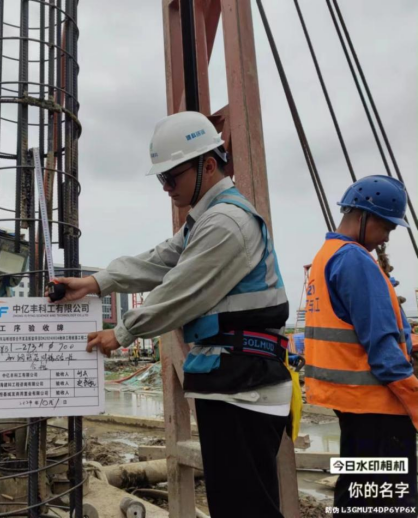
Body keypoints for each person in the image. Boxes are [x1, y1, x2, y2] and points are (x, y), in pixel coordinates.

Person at [55, 111, 291, 517]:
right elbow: (159, 260)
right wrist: (96, 282)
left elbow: (181, 290)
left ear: (209, 165)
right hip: (234, 381)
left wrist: (123, 331)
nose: (166, 187)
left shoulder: (227, 223)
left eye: (171, 176)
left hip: (245, 385)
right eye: (161, 178)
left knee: (245, 507)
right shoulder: (207, 220)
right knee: (235, 503)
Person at [304, 176, 417, 516]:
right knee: (389, 504)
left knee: (356, 494)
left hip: (353, 406)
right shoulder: (355, 260)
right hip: (380, 409)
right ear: (364, 216)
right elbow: (383, 348)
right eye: (387, 227)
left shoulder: (326, 257)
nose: (387, 237)